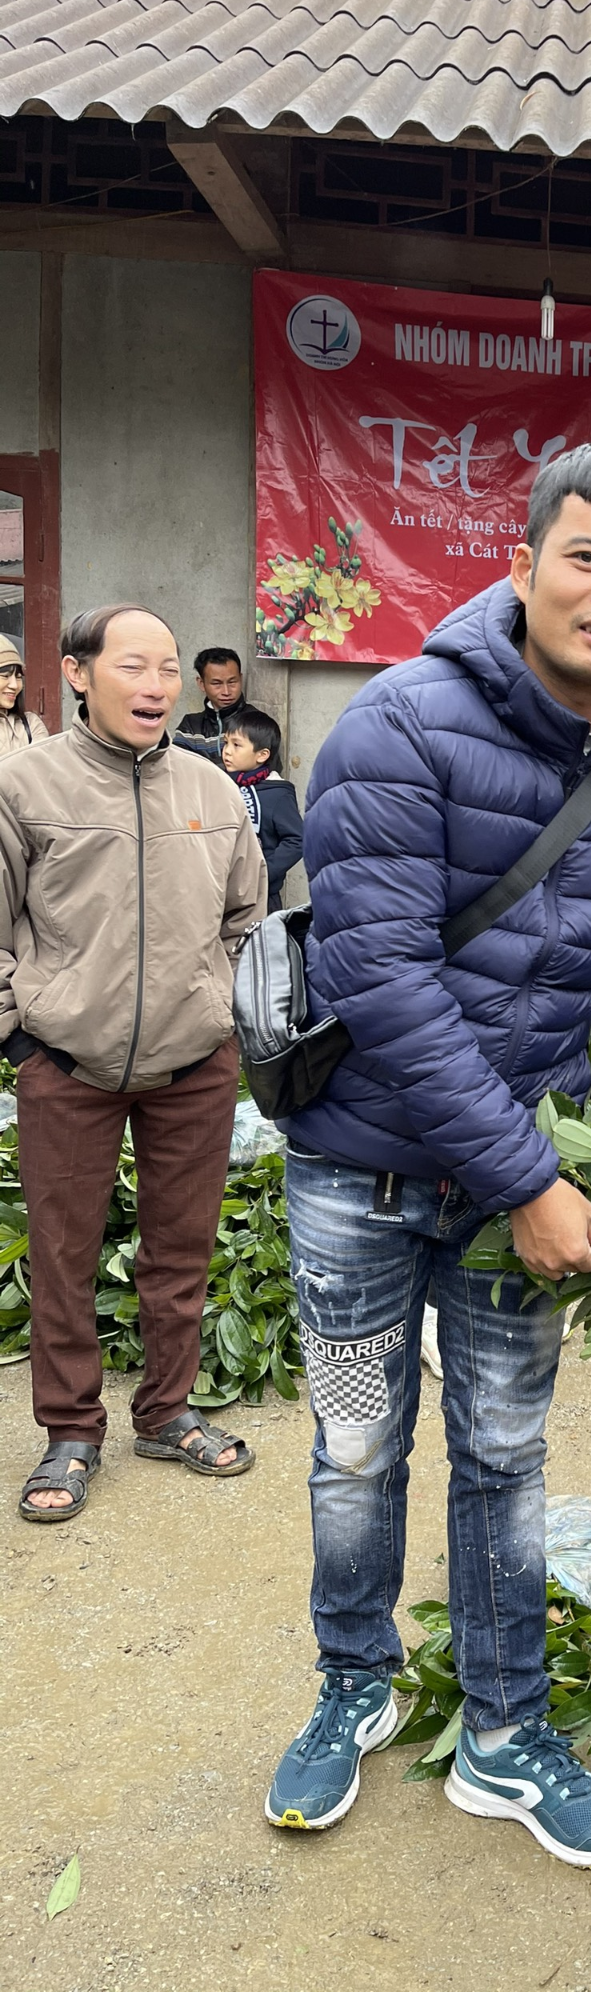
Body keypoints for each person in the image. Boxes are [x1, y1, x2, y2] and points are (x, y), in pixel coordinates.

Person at [264, 443, 591, 1866]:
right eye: (589, 557)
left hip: (504, 1215)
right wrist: (533, 1181)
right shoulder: (396, 729)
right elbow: (384, 989)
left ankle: (503, 1733)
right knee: (354, 1439)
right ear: (524, 563)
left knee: (503, 1456)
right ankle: (349, 1683)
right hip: (354, 1188)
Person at [1, 606, 265, 1523]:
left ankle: (166, 1410)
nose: (156, 686)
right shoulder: (24, 784)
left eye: (167, 669)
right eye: (133, 667)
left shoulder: (211, 787)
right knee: (65, 1253)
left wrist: (217, 1010)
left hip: (194, 1061)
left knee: (180, 1251)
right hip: (66, 1062)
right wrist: (22, 1034)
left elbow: (245, 918)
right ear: (78, 673)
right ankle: (71, 1429)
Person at [221, 705, 305, 914]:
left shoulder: (277, 792)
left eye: (237, 745)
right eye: (226, 743)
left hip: (261, 899)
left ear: (262, 755)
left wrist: (264, 873)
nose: (227, 751)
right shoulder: (219, 783)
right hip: (219, 891)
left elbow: (297, 840)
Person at [176, 646, 247, 739]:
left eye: (232, 682)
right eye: (216, 683)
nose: (226, 692)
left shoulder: (258, 723)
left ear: (240, 679)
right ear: (202, 684)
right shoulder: (191, 726)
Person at [0, 635, 48, 752]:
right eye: (5, 676)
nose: (15, 685)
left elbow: (39, 766)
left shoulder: (31, 724)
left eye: (18, 677)